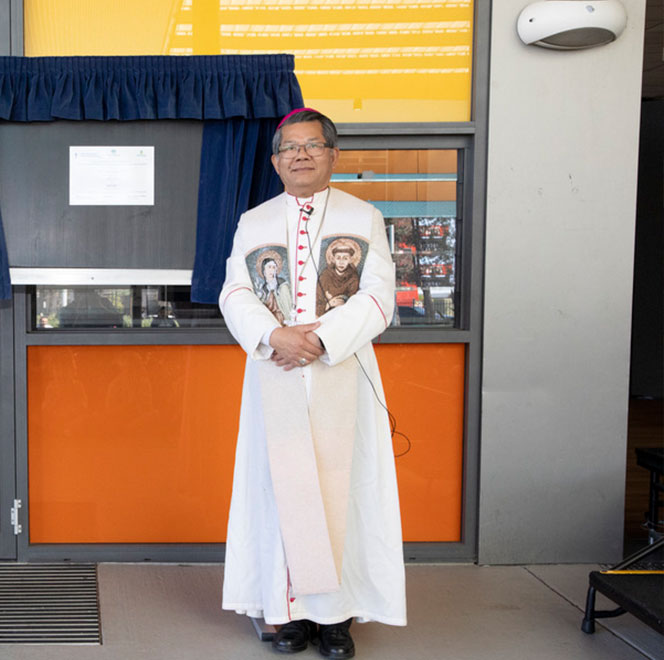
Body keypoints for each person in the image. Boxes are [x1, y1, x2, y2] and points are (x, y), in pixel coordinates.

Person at [218, 108, 404, 659]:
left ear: (333, 155)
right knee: (281, 490)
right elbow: (234, 292)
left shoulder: (364, 215)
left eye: (312, 146)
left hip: (339, 369)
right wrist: (276, 336)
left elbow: (378, 296)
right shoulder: (254, 221)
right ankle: (290, 613)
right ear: (275, 161)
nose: (300, 155)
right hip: (274, 368)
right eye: (289, 148)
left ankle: (336, 617)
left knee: (340, 491)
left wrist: (319, 341)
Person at [316, 243, 361, 317]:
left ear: (350, 260)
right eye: (338, 258)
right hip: (326, 314)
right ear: (333, 259)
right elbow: (318, 298)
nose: (341, 262)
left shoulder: (353, 278)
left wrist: (342, 300)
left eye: (345, 258)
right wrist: (329, 304)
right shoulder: (325, 275)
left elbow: (354, 300)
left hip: (344, 315)